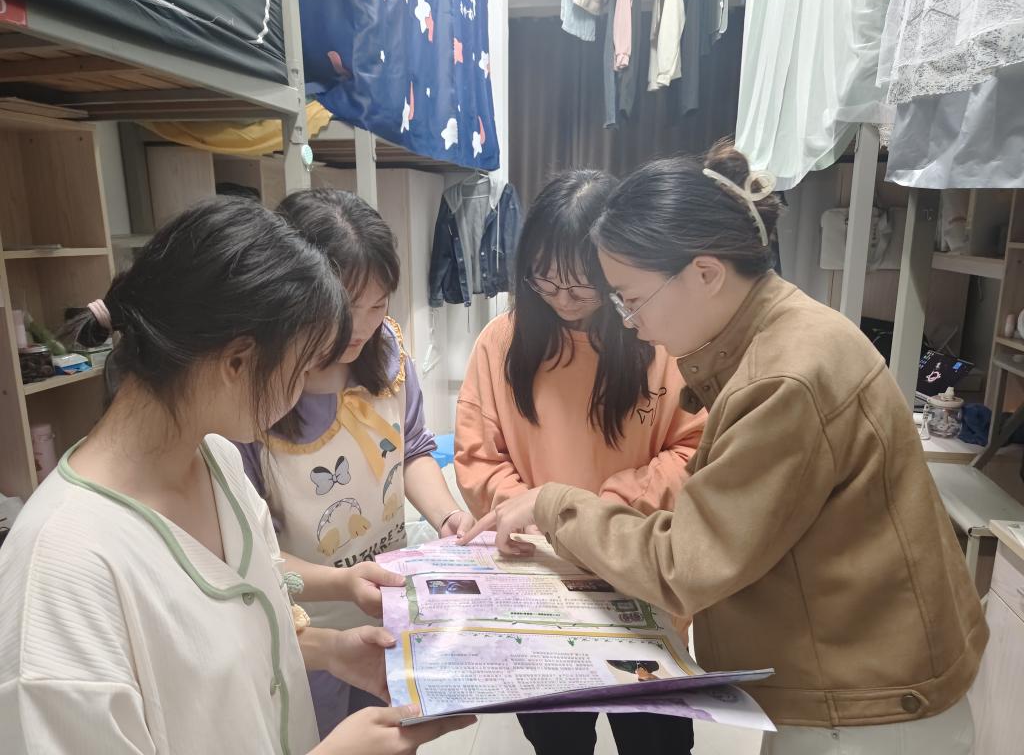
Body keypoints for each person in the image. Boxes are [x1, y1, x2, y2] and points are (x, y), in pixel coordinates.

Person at [461, 142, 987, 754]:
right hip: (849, 678)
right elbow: (479, 454)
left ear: (705, 274)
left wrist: (557, 505)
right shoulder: (779, 339)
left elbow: (684, 562)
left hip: (862, 703)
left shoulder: (781, 376)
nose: (629, 320)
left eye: (629, 297)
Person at [0, 197, 469, 754]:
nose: (309, 391)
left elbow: (249, 610)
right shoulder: (61, 573)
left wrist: (330, 649)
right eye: (304, 367)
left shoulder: (217, 461)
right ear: (237, 362)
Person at [455, 170, 705, 755]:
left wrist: (598, 511)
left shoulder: (660, 339)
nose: (563, 300)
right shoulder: (501, 342)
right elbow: (478, 457)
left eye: (581, 287)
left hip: (638, 576)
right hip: (541, 584)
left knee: (657, 743)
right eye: (545, 280)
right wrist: (536, 518)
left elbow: (694, 450)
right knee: (558, 741)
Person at [238, 188, 472, 740]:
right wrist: (342, 584)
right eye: (346, 308)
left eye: (379, 305)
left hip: (388, 605)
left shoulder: (387, 355)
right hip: (304, 631)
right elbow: (249, 553)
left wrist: (447, 517)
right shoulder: (251, 399)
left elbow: (412, 449)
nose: (362, 327)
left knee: (392, 734)